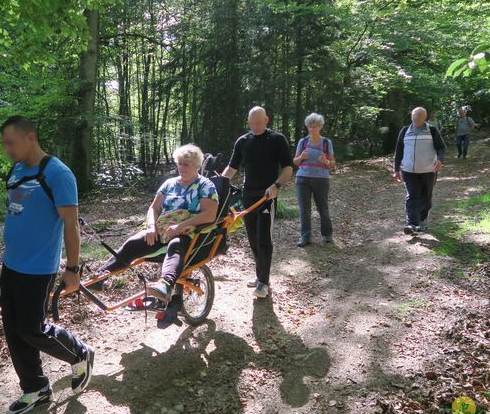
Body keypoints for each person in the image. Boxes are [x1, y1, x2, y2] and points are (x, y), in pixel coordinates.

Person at [0, 116, 94, 414]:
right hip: (11, 265)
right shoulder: (16, 172)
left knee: (31, 328)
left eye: (10, 143)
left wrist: (73, 269)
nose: (7, 149)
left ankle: (79, 353)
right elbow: (18, 213)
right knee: (14, 331)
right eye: (4, 144)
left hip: (38, 268)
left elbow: (70, 225)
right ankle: (35, 387)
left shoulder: (57, 173)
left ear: (30, 137)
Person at [98, 144, 219, 302]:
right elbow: (154, 208)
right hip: (162, 230)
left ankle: (165, 284)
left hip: (189, 232)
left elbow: (209, 215)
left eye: (186, 164)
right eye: (179, 163)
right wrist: (151, 227)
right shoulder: (169, 183)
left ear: (196, 165)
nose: (182, 168)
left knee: (176, 245)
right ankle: (99, 277)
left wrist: (180, 226)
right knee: (132, 244)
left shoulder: (205, 186)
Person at [221, 106, 294, 298]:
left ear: (267, 120)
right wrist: (218, 185)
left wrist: (276, 185)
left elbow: (288, 168)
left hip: (267, 196)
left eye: (259, 122)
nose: (255, 126)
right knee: (253, 238)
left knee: (264, 239)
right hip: (248, 195)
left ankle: (263, 282)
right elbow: (232, 168)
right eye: (252, 123)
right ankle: (260, 275)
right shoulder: (243, 142)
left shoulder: (277, 140)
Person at [393, 107, 445, 235]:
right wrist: (396, 169)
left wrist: (440, 160)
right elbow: (398, 151)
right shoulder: (405, 131)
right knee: (412, 196)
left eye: (419, 116)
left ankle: (422, 220)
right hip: (409, 171)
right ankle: (411, 224)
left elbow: (441, 148)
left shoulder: (432, 130)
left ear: (424, 117)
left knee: (426, 197)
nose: (416, 118)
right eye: (414, 115)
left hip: (428, 170)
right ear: (411, 116)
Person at [293, 113, 335, 247]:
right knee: (304, 209)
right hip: (302, 178)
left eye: (315, 126)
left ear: (320, 126)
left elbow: (332, 163)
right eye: (310, 126)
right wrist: (301, 158)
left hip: (321, 179)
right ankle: (305, 237)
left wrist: (326, 161)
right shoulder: (303, 142)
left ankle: (327, 235)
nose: (312, 129)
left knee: (323, 208)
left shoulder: (326, 142)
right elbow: (295, 161)